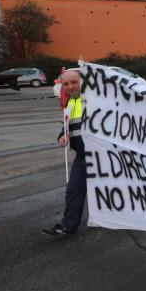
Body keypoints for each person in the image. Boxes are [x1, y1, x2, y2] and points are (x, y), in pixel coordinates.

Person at [43, 70, 87, 236]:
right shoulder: (69, 104)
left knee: (114, 190)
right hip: (83, 157)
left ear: (83, 81)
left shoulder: (95, 101)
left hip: (103, 156)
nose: (70, 86)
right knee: (73, 191)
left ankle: (126, 219)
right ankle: (68, 226)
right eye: (66, 84)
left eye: (74, 82)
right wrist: (62, 137)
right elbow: (66, 127)